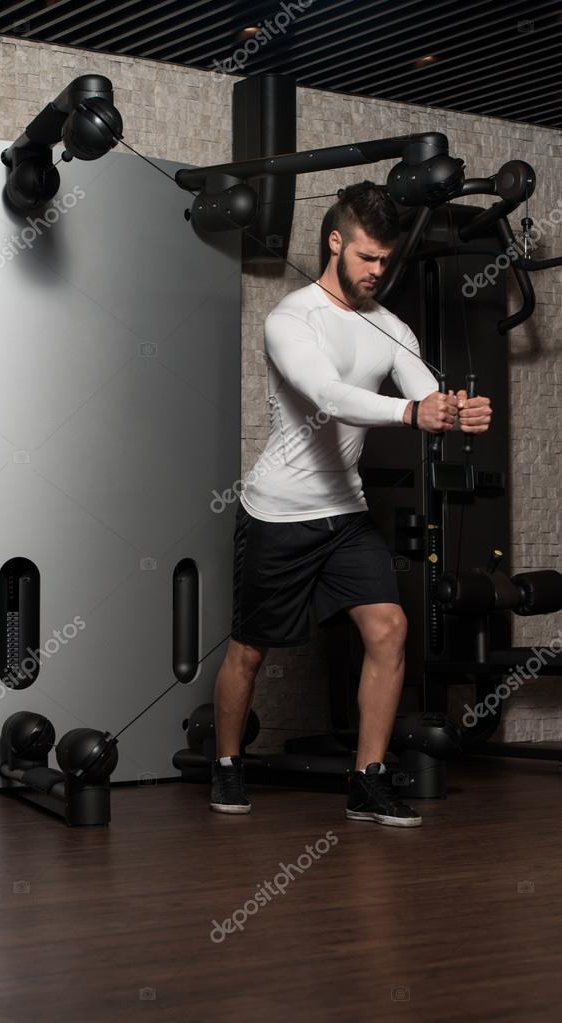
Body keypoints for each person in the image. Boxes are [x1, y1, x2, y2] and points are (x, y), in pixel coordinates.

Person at [210, 180, 492, 826]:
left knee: (388, 628)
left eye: (384, 259)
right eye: (366, 256)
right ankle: (227, 763)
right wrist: (413, 411)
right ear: (334, 241)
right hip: (277, 512)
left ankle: (366, 778)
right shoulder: (290, 319)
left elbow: (424, 390)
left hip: (345, 513)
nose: (376, 270)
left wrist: (451, 411)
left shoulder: (389, 326)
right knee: (249, 651)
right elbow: (329, 396)